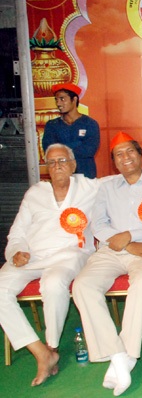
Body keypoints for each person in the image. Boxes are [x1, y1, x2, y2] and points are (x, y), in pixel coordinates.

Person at [72, 132, 142, 396]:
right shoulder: (106, 188)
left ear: (140, 154)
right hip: (112, 250)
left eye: (130, 151)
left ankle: (125, 356)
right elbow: (99, 225)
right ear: (114, 162)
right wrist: (127, 243)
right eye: (119, 154)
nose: (125, 157)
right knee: (83, 285)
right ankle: (118, 355)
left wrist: (130, 235)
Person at [0, 144, 98, 386]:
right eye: (51, 162)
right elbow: (17, 232)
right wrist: (16, 251)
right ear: (46, 168)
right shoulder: (35, 193)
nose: (57, 166)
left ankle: (52, 345)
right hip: (32, 256)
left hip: (70, 254)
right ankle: (40, 351)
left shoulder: (89, 187)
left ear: (73, 165)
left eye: (62, 160)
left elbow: (123, 180)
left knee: (53, 283)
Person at [42, 83, 100, 178]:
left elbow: (89, 150)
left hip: (86, 176)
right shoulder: (52, 125)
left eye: (62, 99)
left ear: (74, 99)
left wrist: (62, 149)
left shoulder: (90, 123)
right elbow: (50, 151)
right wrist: (78, 143)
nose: (58, 104)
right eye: (56, 100)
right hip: (61, 176)